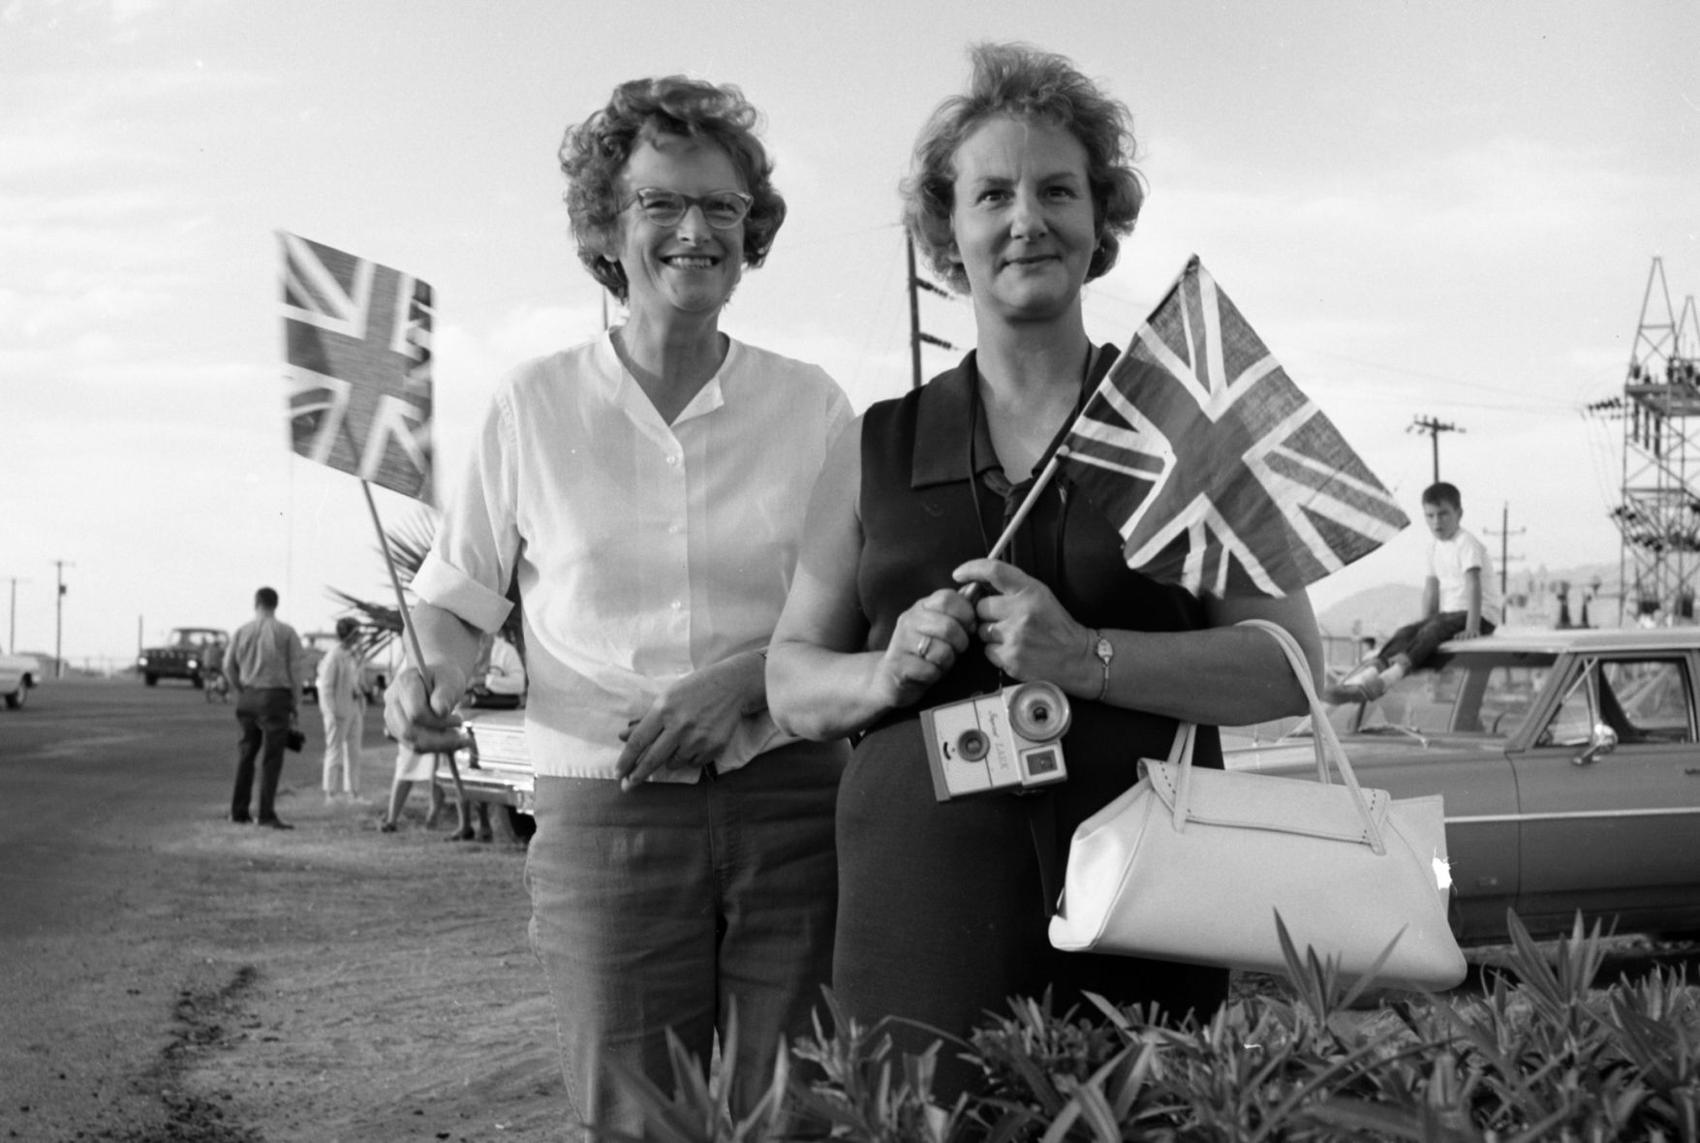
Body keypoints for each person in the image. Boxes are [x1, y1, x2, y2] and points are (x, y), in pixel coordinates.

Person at [766, 42, 1322, 1101]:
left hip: (1145, 903)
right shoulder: (873, 446)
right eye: (992, 195)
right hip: (920, 911)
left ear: (1100, 219)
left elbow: (1291, 665)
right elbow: (790, 677)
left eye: (1058, 190)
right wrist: (881, 674)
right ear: (947, 232)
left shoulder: (1180, 425)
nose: (1027, 218)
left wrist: (1088, 655)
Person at [384, 74, 851, 1137]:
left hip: (793, 802)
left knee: (801, 1114)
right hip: (605, 813)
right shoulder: (533, 405)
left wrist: (742, 683)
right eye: (660, 203)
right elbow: (458, 600)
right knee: (637, 1119)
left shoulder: (813, 406)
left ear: (751, 230)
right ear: (606, 225)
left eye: (722, 206)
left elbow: (855, 609)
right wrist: (427, 676)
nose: (695, 230)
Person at [1325, 481, 1500, 702]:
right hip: (1452, 616)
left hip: (1480, 616)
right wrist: (1423, 626)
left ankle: (1387, 679)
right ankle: (1366, 676)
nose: (1437, 522)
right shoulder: (1433, 548)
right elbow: (1431, 591)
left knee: (1434, 629)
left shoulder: (1466, 543)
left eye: (1443, 514)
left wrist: (1472, 627)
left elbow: (1473, 583)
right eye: (1430, 516)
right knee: (1406, 633)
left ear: (1459, 514)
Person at [223, 586, 306, 830]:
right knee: (272, 757)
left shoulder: (242, 631)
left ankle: (238, 811)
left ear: (256, 603)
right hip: (275, 697)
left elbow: (228, 665)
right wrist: (296, 701)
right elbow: (296, 671)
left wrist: (241, 688)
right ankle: (265, 813)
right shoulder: (286, 632)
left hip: (248, 694)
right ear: (275, 605)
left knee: (246, 754)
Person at [315, 617, 366, 800]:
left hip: (353, 707)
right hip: (337, 711)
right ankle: (330, 793)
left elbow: (356, 681)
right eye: (356, 633)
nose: (359, 637)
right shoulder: (333, 657)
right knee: (334, 751)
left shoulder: (353, 655)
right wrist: (331, 712)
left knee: (354, 752)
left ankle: (353, 791)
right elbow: (325, 687)